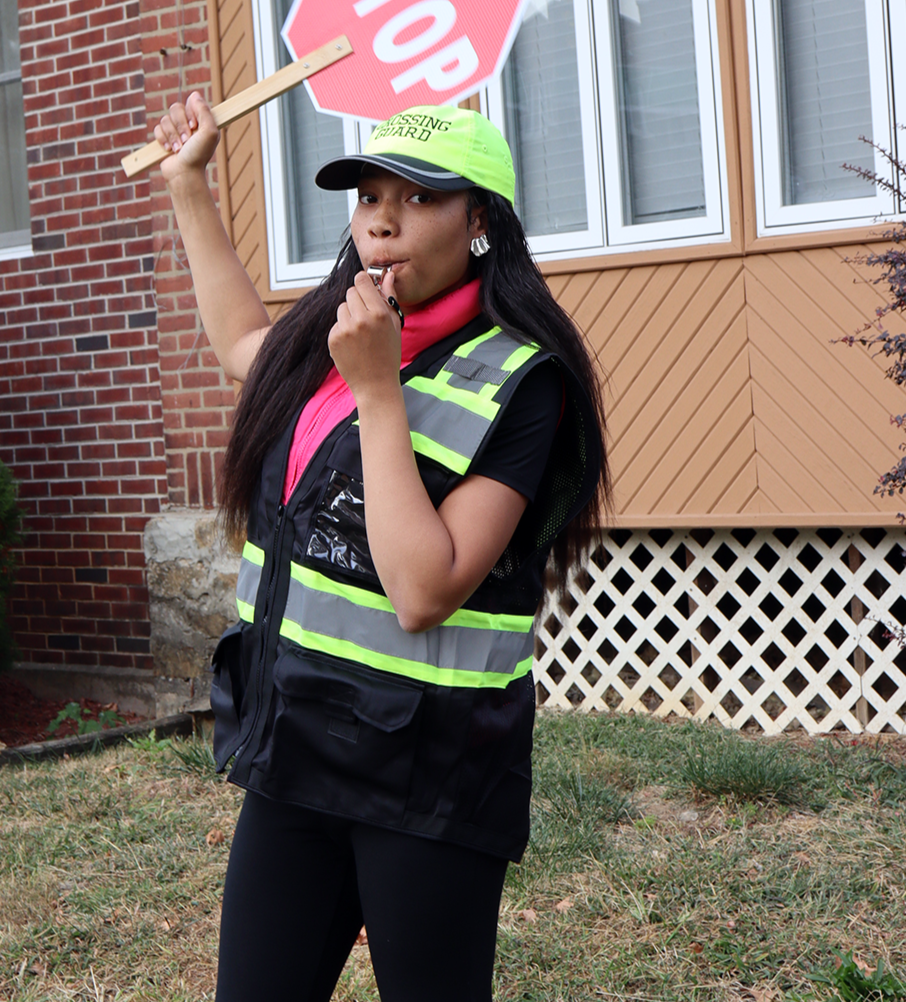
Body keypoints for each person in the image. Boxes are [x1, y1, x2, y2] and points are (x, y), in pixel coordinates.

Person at [153, 93, 608, 1002]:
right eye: (368, 197)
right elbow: (244, 343)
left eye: (417, 197)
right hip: (292, 754)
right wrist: (189, 183)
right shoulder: (342, 337)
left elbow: (422, 589)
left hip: (425, 777)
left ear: (480, 220)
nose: (383, 220)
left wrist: (378, 389)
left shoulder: (520, 383)